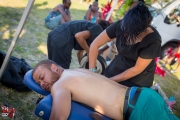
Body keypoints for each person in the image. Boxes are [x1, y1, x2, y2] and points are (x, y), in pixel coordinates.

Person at [32, 59, 180, 120]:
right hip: (144, 95)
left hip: (139, 108)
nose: (42, 84)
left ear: (54, 67)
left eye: (42, 77)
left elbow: (58, 118)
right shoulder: (76, 71)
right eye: (38, 83)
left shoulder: (59, 84)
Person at [89, 1, 162, 87]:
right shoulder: (121, 25)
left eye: (129, 31)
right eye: (124, 27)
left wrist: (110, 81)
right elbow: (95, 44)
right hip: (118, 66)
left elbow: (136, 69)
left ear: (142, 30)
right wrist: (91, 71)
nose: (124, 31)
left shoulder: (153, 40)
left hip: (137, 79)